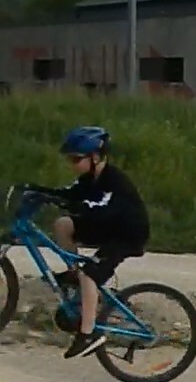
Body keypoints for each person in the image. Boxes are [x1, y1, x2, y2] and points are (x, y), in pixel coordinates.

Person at [34, 126, 151, 359]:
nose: (72, 164)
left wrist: (76, 205)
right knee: (63, 224)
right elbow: (69, 194)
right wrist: (38, 192)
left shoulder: (114, 181)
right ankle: (73, 275)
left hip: (127, 235)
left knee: (90, 274)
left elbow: (101, 209)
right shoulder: (89, 179)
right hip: (109, 227)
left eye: (76, 159)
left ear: (95, 157)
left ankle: (88, 334)